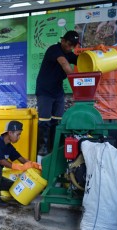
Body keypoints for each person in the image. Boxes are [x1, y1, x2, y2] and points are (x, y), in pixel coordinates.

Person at [36, 30, 79, 159]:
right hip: (45, 91)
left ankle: (55, 148)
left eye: (73, 46)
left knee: (57, 120)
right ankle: (42, 150)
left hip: (58, 92)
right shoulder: (54, 50)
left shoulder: (69, 53)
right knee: (44, 120)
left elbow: (81, 59)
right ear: (63, 41)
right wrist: (77, 83)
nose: (70, 48)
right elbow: (64, 64)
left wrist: (95, 52)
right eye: (69, 44)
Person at [0, 120, 40, 207]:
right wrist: (19, 167)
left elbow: (21, 158)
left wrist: (34, 165)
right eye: (18, 134)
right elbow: (2, 161)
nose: (19, 137)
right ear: (10, 133)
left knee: (13, 186)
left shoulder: (9, 147)